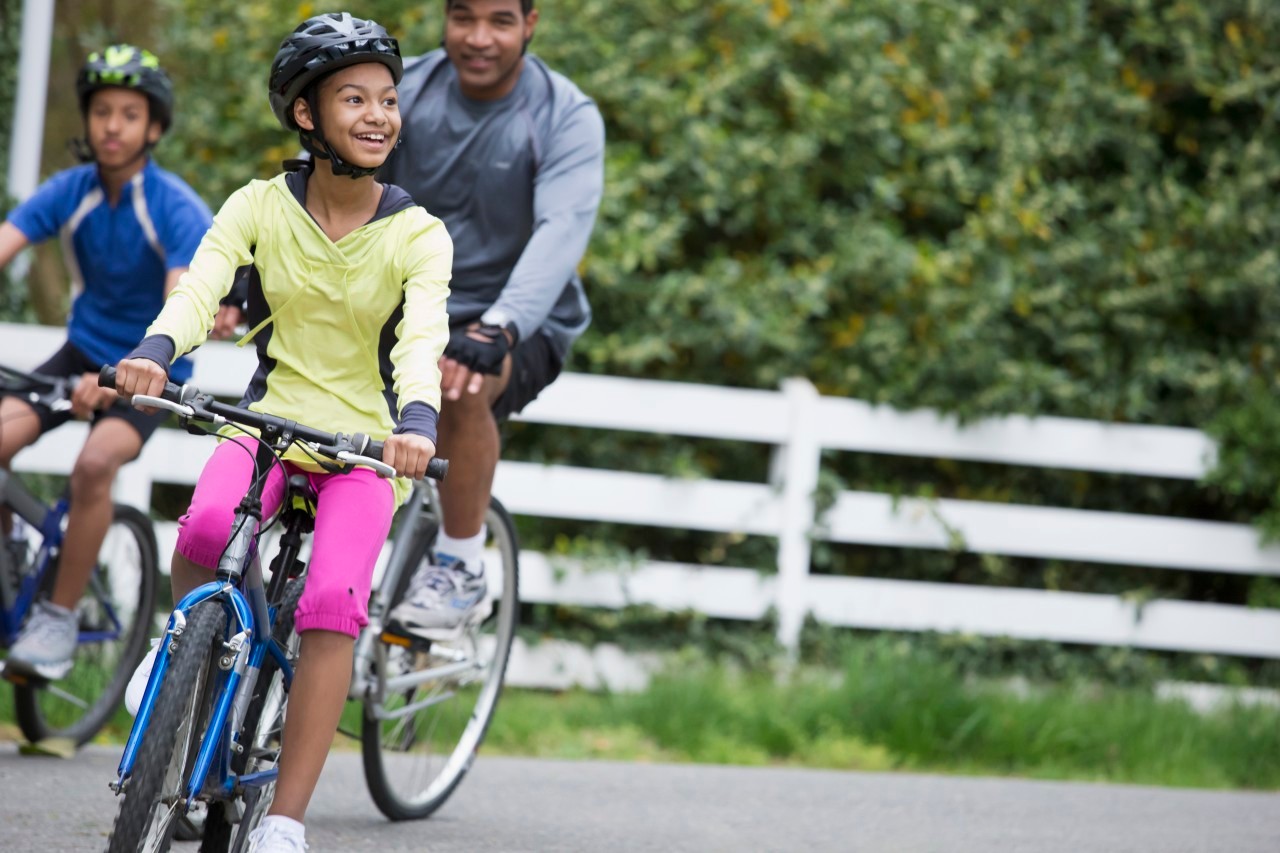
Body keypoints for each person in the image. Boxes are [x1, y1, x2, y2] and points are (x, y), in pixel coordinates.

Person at [113, 13, 451, 852]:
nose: (379, 115)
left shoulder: (417, 234)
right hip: (269, 422)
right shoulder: (259, 204)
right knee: (201, 524)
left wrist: (416, 423)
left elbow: (421, 343)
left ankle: (288, 819)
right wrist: (157, 351)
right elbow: (200, 290)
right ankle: (179, 646)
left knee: (335, 600)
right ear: (307, 115)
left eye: (387, 99)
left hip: (367, 448)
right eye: (354, 99)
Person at [380, 0, 605, 637]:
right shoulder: (403, 92)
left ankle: (459, 566)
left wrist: (500, 324)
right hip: (411, 303)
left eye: (500, 21)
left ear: (531, 24)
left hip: (518, 317)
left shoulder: (564, 115)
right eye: (463, 18)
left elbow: (561, 232)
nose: (479, 39)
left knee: (458, 384)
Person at [0, 45, 212, 681]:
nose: (111, 126)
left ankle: (60, 616)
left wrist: (129, 376)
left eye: (128, 114)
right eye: (100, 112)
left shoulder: (173, 205)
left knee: (95, 465)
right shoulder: (70, 192)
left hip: (153, 365)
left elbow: (185, 300)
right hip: (80, 352)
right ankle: (14, 554)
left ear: (153, 127)